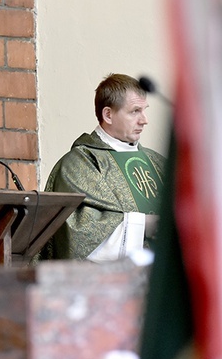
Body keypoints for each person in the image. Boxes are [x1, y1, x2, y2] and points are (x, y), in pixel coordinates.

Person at [41, 73, 166, 262]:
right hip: (112, 286)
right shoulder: (80, 164)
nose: (144, 120)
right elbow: (78, 236)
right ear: (108, 114)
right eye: (135, 111)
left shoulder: (156, 161)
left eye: (144, 110)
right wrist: (144, 226)